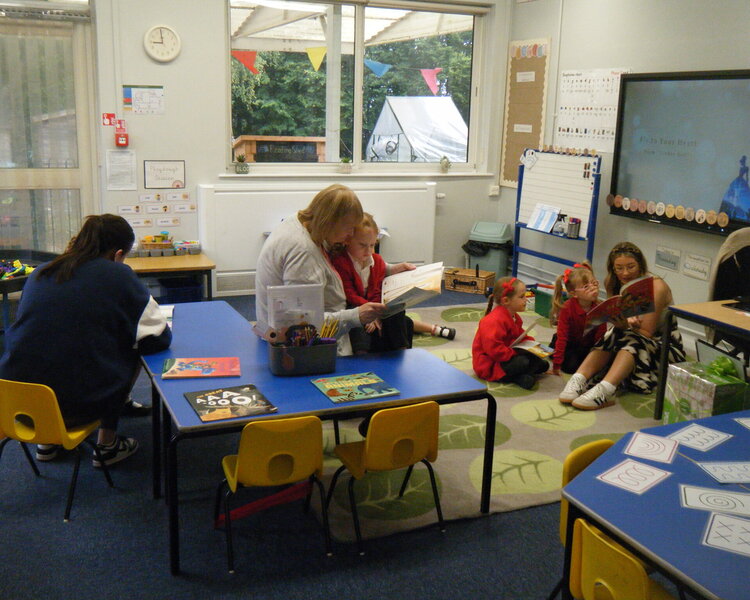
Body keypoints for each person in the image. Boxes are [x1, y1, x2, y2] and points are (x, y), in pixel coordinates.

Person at [0, 214, 172, 466]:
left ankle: (46, 442)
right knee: (132, 348)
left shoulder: (41, 273)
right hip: (78, 406)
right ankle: (107, 446)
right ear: (118, 253)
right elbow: (158, 338)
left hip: (16, 403)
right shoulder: (119, 275)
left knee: (50, 345)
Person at [255, 183, 385, 355]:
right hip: (301, 346)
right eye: (349, 228)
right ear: (332, 222)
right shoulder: (302, 252)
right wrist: (356, 316)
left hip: (309, 328)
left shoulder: (303, 222)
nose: (351, 234)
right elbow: (303, 326)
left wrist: (389, 269)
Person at [558, 241, 686, 410]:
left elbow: (646, 333)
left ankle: (607, 389)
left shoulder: (656, 286)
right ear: (613, 268)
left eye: (631, 267)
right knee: (613, 334)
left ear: (641, 265)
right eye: (619, 268)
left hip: (663, 346)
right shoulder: (613, 282)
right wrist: (617, 322)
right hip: (630, 335)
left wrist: (624, 326)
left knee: (630, 337)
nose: (625, 273)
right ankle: (579, 379)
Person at [331, 212, 455, 353]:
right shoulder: (341, 262)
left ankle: (402, 349)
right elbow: (349, 294)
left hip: (373, 303)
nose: (368, 251)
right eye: (362, 245)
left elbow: (378, 289)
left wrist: (376, 311)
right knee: (357, 321)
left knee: (396, 309)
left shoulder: (376, 261)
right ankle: (362, 356)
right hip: (355, 305)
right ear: (347, 241)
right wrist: (368, 310)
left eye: (372, 245)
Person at [472, 276, 549, 390]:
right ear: (506, 301)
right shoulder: (493, 321)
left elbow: (520, 335)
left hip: (508, 354)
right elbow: (495, 351)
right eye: (522, 297)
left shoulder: (514, 316)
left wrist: (533, 346)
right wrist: (516, 353)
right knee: (523, 361)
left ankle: (524, 372)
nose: (526, 300)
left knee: (541, 362)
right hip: (490, 364)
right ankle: (517, 377)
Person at [549, 262, 606, 375]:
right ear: (574, 293)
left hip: (587, 344)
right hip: (570, 342)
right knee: (571, 367)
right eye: (586, 286)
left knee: (593, 366)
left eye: (594, 283)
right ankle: (553, 349)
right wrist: (556, 365)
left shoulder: (599, 308)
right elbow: (563, 337)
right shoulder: (567, 308)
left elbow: (600, 338)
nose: (593, 288)